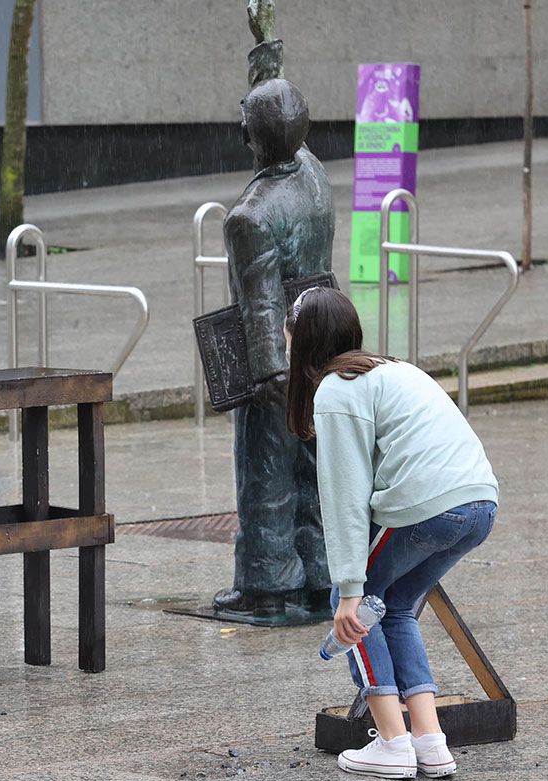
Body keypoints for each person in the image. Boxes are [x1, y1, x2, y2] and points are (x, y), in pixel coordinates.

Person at [284, 287, 499, 780]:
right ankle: (430, 741)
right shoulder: (389, 367)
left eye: (288, 333)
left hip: (429, 508)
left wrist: (347, 592)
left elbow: (344, 500)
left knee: (357, 605)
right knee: (396, 605)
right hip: (480, 503)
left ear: (301, 340)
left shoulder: (337, 389)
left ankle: (393, 742)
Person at [212, 77, 335, 618]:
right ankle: (321, 573)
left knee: (266, 468)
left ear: (251, 139)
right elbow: (282, 117)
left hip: (281, 350)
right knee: (315, 465)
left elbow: (260, 305)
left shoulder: (250, 215)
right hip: (326, 335)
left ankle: (268, 583)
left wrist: (268, 377)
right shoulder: (313, 174)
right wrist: (265, 44)